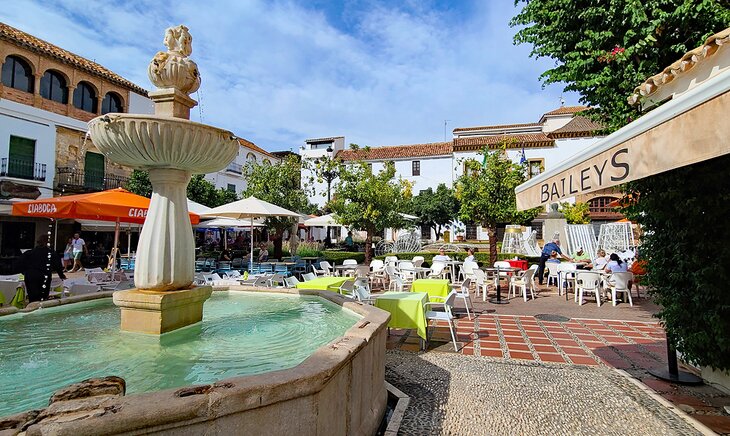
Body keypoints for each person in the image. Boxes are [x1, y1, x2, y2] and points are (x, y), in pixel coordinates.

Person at [17, 235, 66, 302]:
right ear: (47, 242)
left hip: (30, 276)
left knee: (32, 297)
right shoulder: (51, 253)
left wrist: (25, 272)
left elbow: (19, 263)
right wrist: (61, 275)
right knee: (42, 298)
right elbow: (57, 265)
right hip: (44, 276)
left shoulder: (29, 253)